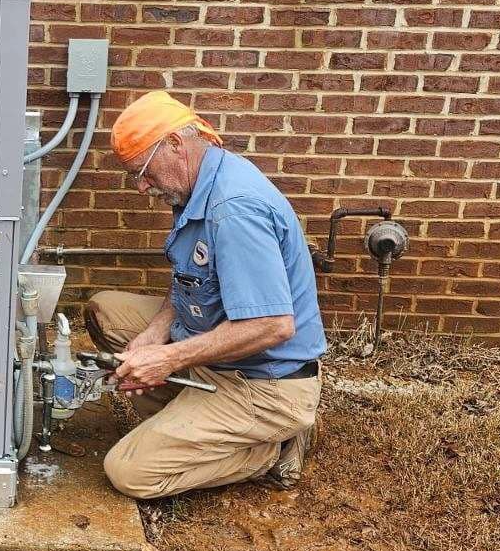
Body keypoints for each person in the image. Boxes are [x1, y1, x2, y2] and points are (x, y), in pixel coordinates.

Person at [86, 90, 325, 502]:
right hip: (220, 355)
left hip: (263, 382)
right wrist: (156, 333)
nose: (143, 187)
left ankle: (271, 447)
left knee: (129, 472)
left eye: (144, 171)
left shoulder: (234, 209)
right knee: (106, 311)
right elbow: (188, 276)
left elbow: (272, 325)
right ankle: (196, 419)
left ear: (176, 145)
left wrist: (169, 358)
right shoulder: (198, 185)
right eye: (134, 176)